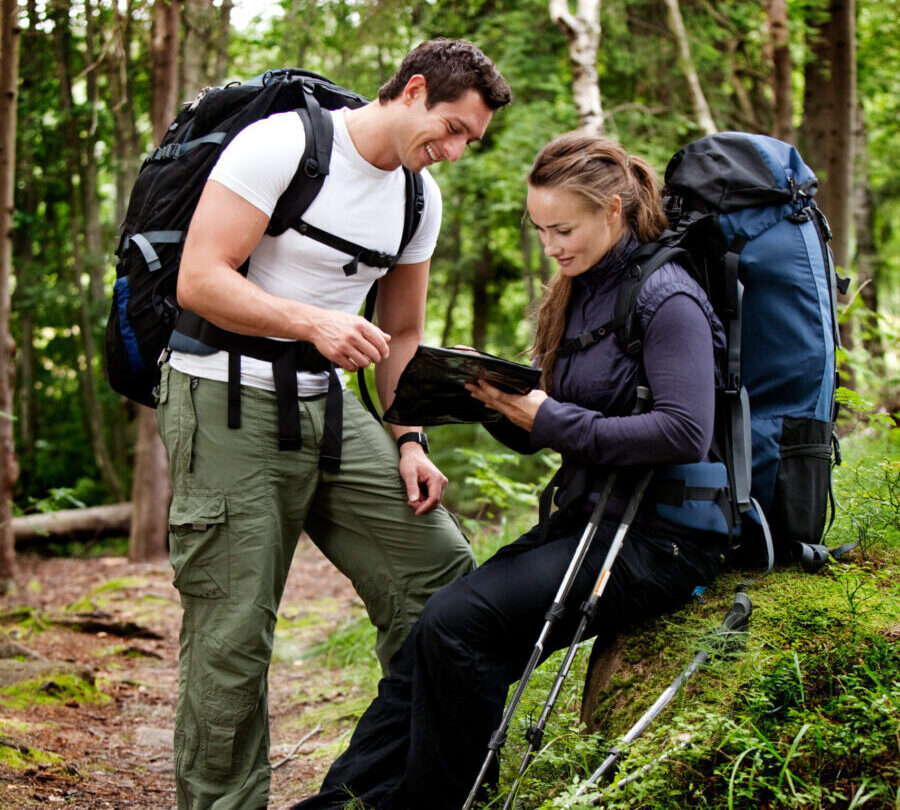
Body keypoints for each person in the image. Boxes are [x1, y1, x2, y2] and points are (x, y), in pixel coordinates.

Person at [291, 132, 728, 810]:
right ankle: (345, 801)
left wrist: (545, 417)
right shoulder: (582, 291)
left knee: (461, 626)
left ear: (613, 210)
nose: (552, 245)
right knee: (439, 626)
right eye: (542, 230)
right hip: (592, 517)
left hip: (661, 539)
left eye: (565, 228)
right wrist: (491, 398)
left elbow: (684, 431)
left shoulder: (668, 296)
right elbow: (559, 424)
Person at [156, 39, 511, 810]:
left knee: (438, 578)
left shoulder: (419, 199)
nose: (452, 150)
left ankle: (406, 785)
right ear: (412, 90)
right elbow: (201, 278)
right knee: (232, 639)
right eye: (450, 128)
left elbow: (403, 333)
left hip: (328, 405)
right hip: (223, 397)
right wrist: (310, 322)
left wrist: (409, 438)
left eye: (468, 141)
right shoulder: (285, 143)